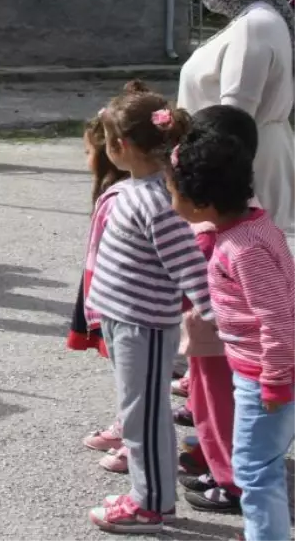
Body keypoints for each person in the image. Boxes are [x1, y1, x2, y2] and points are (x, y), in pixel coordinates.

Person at [84, 88, 215, 532]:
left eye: (105, 139)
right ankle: (148, 494)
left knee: (145, 416)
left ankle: (151, 504)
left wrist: (224, 321)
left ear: (120, 145)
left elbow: (192, 271)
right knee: (138, 412)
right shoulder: (137, 191)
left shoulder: (157, 202)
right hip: (125, 322)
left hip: (145, 327)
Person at [169, 108, 295, 540]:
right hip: (255, 372)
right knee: (258, 464)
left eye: (174, 194)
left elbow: (276, 315)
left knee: (255, 470)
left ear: (202, 204)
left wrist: (275, 380)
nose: (170, 202)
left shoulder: (242, 250)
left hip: (264, 378)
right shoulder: (253, 228)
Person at [170, 106, 261, 517]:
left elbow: (187, 290)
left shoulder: (215, 239)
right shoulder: (244, 218)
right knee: (210, 408)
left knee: (218, 410)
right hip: (216, 342)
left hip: (217, 343)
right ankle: (217, 466)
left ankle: (231, 483)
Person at [183, 0, 295, 231]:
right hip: (248, 163)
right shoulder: (261, 18)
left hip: (237, 174)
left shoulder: (253, 26)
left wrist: (198, 184)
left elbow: (232, 122)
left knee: (238, 270)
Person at [67, 109, 130, 473]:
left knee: (137, 379)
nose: (85, 158)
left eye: (88, 151)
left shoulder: (123, 196)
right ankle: (126, 425)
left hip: (128, 304)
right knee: (124, 370)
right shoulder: (112, 190)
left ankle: (135, 444)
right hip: (112, 299)